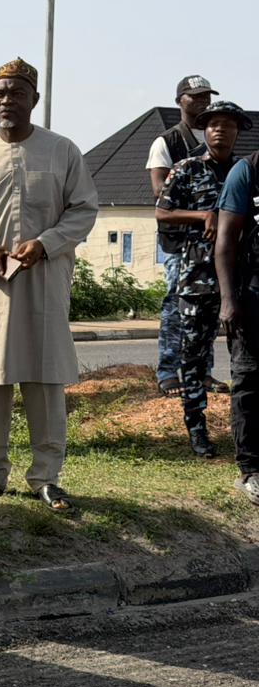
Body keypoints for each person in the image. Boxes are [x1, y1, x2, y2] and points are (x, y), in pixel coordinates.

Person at [0, 57, 98, 512]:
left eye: (15, 92)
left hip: (44, 279)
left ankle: (46, 477)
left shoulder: (62, 151)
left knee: (44, 377)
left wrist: (47, 242)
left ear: (35, 98)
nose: (6, 100)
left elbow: (84, 209)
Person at [156, 101, 250, 457]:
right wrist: (202, 215)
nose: (220, 130)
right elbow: (162, 213)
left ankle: (244, 432)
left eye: (227, 125)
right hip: (196, 277)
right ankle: (197, 430)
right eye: (213, 125)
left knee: (244, 359)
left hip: (240, 279)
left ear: (237, 131)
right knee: (192, 358)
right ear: (203, 130)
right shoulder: (186, 169)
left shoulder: (246, 171)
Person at [148, 76, 228, 398]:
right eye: (195, 97)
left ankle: (202, 373)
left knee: (208, 307)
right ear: (179, 100)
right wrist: (201, 210)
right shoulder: (166, 141)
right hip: (179, 240)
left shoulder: (217, 137)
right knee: (173, 306)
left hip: (212, 242)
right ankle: (168, 372)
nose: (202, 103)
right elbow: (159, 192)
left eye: (206, 97)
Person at [215, 146, 259, 505]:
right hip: (252, 295)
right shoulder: (246, 172)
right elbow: (226, 242)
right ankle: (250, 471)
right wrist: (228, 300)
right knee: (248, 381)